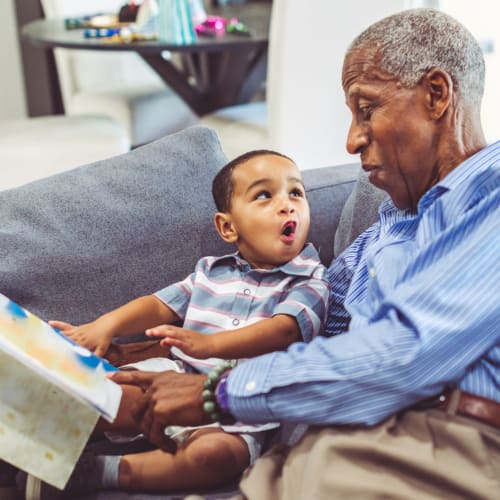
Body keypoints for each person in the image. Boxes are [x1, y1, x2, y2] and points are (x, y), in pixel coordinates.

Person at [110, 8, 500, 499]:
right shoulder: (390, 225)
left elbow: (405, 352)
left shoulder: (491, 200)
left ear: (436, 95)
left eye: (366, 109)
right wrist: (152, 350)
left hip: (442, 442)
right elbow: (299, 320)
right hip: (330, 436)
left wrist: (218, 392)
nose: (352, 139)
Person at [36, 149, 330, 495]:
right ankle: (36, 445)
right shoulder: (210, 272)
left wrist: (210, 345)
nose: (287, 204)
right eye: (264, 195)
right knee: (111, 396)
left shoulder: (310, 281)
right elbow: (158, 304)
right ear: (227, 226)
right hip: (173, 377)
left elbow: (284, 330)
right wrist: (106, 325)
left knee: (214, 456)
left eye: (296, 192)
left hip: (241, 410)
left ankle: (95, 473)